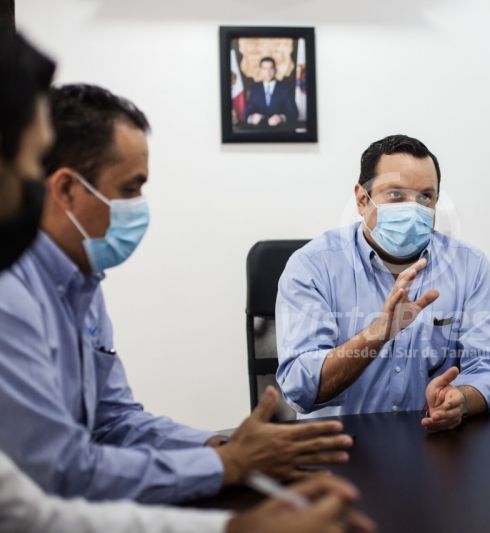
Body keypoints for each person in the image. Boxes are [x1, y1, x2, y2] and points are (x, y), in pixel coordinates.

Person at [0, 30, 374, 533]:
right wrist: (224, 465)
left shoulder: (82, 279)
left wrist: (223, 446)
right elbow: (60, 472)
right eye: (129, 188)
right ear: (66, 188)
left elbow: (115, 421)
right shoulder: (11, 291)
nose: (139, 206)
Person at [276, 134, 490, 431]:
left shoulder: (471, 267)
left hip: (437, 444)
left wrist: (460, 401)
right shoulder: (312, 266)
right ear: (362, 199)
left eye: (425, 197)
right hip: (339, 447)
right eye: (396, 195)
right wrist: (378, 333)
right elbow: (299, 387)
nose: (413, 209)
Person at [244, 57, 299, 128]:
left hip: (280, 130)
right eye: (264, 69)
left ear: (275, 70)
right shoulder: (254, 89)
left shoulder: (285, 88)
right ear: (260, 70)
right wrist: (251, 118)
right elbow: (247, 113)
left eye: (271, 68)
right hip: (258, 130)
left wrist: (281, 118)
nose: (268, 72)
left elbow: (294, 113)